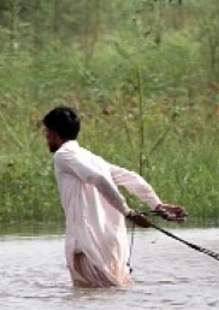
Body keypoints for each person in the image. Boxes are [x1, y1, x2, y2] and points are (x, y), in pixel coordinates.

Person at [42, 106, 187, 288]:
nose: (46, 137)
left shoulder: (63, 156)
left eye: (46, 132)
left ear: (53, 133)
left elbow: (98, 179)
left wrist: (127, 212)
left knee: (88, 303)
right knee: (111, 295)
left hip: (86, 243)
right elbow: (131, 178)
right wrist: (157, 204)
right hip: (111, 245)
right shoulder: (92, 158)